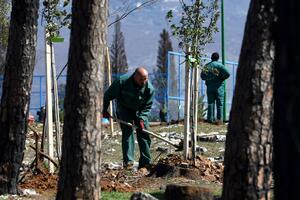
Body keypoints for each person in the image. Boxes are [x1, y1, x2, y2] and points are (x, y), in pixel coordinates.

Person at [102, 67, 155, 169]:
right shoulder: (122, 82)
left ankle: (145, 163)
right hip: (124, 108)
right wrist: (104, 110)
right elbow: (107, 95)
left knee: (144, 133)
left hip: (140, 110)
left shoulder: (149, 89)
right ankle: (128, 162)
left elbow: (148, 106)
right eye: (141, 79)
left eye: (146, 79)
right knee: (128, 133)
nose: (144, 82)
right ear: (135, 76)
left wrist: (141, 118)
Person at [201, 52, 230, 125]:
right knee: (220, 104)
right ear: (218, 58)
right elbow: (228, 74)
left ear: (211, 58)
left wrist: (209, 78)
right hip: (219, 87)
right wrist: (222, 78)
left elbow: (202, 76)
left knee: (210, 103)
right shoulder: (220, 66)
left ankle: (210, 119)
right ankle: (219, 120)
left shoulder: (207, 66)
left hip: (210, 87)